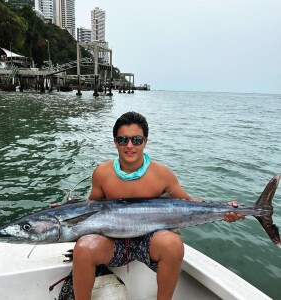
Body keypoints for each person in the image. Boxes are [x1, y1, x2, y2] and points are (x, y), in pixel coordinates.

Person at [73, 111, 244, 300]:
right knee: (83, 248)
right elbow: (91, 206)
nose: (130, 146)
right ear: (115, 141)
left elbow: (187, 203)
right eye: (123, 140)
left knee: (173, 243)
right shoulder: (102, 173)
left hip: (150, 243)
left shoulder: (162, 174)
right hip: (115, 243)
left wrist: (226, 209)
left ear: (145, 141)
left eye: (136, 140)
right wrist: (65, 210)